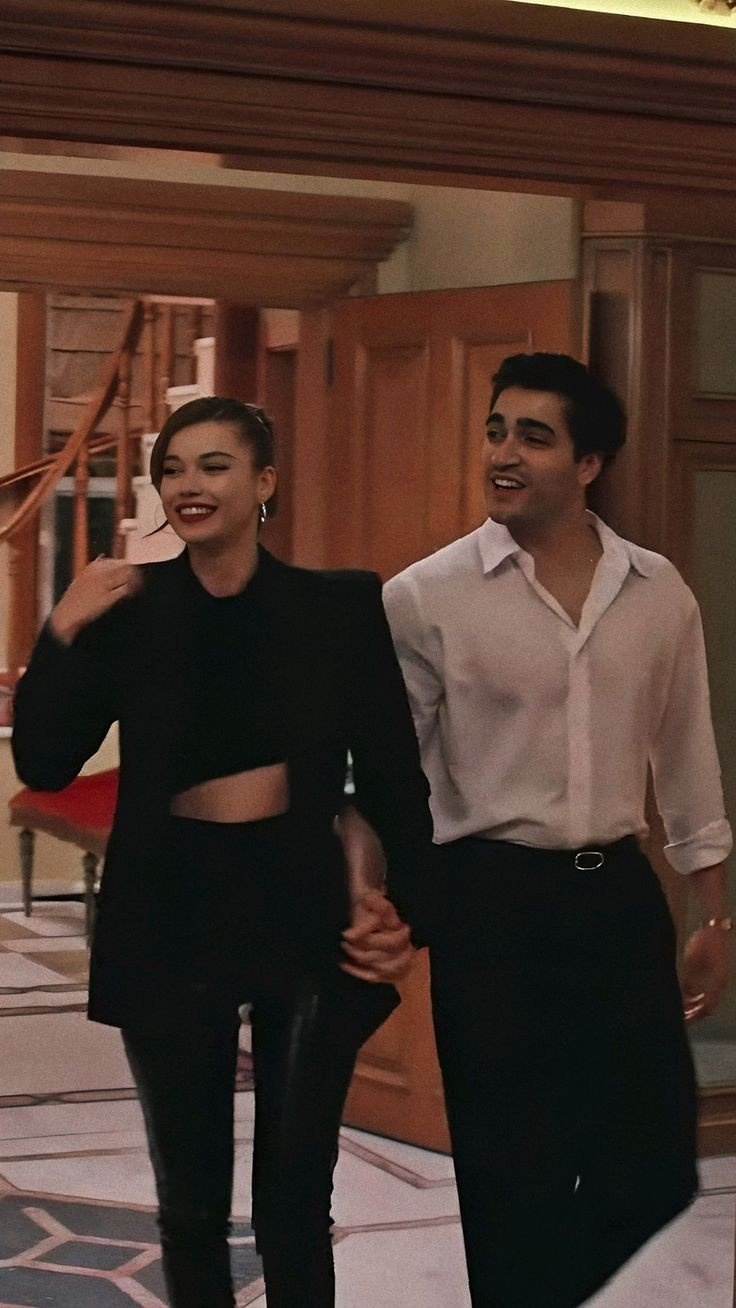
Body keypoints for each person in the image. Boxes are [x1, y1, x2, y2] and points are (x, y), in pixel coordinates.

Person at [12, 395, 434, 1308]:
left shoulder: (337, 605)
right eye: (172, 469)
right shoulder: (130, 606)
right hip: (170, 904)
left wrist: (408, 912)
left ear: (264, 480)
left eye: (213, 465)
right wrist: (62, 628)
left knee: (296, 1199)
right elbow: (44, 761)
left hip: (298, 901)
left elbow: (395, 776)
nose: (188, 485)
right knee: (191, 1205)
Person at [382, 352, 732, 1308]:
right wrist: (378, 896)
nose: (503, 453)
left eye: (533, 437)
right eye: (496, 430)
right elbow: (389, 776)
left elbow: (687, 753)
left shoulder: (658, 592)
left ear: (588, 464)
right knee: (509, 1173)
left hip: (617, 895)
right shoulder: (425, 596)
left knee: (655, 1167)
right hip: (490, 901)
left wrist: (712, 914)